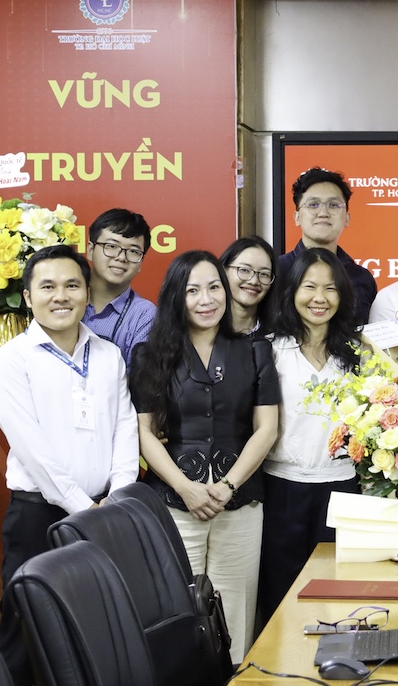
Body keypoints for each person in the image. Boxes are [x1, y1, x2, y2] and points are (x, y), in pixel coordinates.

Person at [0, 244, 139, 685]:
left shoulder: (107, 354)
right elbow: (33, 450)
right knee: (25, 629)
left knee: (95, 628)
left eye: (72, 285)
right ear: (28, 296)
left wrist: (118, 499)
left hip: (104, 511)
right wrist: (85, 509)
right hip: (39, 517)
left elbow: (125, 426)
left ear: (87, 293)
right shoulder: (11, 360)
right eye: (47, 286)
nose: (61, 296)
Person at [129, 250, 280, 659]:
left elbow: (267, 428)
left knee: (236, 607)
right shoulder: (149, 354)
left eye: (214, 287)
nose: (206, 299)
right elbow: (144, 432)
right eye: (193, 290)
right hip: (175, 501)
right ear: (176, 296)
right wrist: (186, 488)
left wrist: (229, 485)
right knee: (180, 610)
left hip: (241, 499)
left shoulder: (254, 350)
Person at [259, 248, 363, 621]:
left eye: (330, 288)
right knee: (280, 595)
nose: (320, 298)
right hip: (281, 488)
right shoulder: (270, 349)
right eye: (310, 286)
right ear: (292, 291)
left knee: (336, 593)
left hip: (342, 489)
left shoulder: (357, 352)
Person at [277, 167, 377, 325]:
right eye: (313, 204)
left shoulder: (362, 278)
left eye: (334, 205)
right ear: (297, 217)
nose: (323, 213)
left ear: (347, 218)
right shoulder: (277, 272)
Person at [82, 207, 157, 365]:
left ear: (141, 262)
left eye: (133, 251)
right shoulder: (65, 298)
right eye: (111, 246)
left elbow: (139, 377)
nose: (121, 257)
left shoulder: (144, 315)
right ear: (90, 250)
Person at [221, 236, 278, 336]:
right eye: (244, 270)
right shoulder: (205, 330)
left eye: (264, 274)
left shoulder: (279, 338)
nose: (254, 281)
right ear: (224, 270)